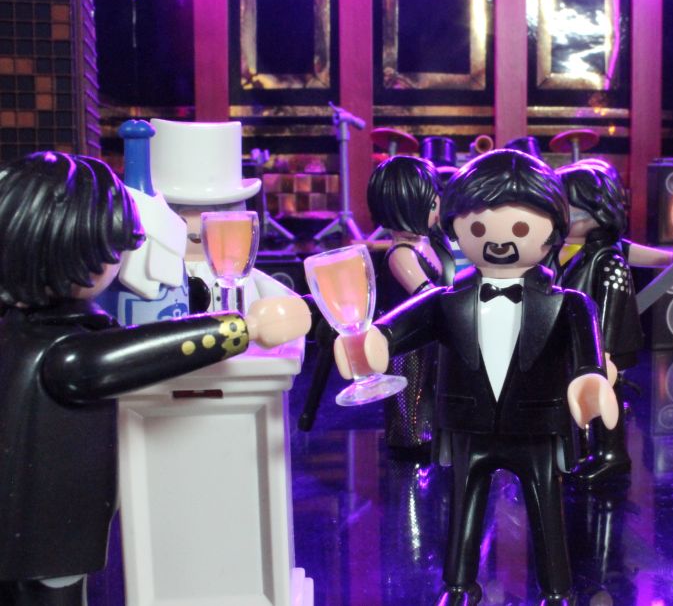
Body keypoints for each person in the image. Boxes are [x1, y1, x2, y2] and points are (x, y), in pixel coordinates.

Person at [0, 152, 309, 606]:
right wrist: (244, 328)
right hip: (43, 529)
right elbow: (127, 355)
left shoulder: (23, 331)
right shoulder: (64, 355)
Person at [335, 149, 618, 605]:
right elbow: (396, 330)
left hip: (537, 425)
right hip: (468, 422)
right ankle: (459, 586)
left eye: (520, 229)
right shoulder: (446, 299)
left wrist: (590, 380)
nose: (498, 242)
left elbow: (589, 355)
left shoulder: (568, 302)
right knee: (463, 511)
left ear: (554, 230)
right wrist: (368, 344)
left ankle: (556, 590)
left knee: (547, 509)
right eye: (479, 229)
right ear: (454, 228)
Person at [148, 118, 296, 313]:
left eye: (213, 216)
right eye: (181, 216)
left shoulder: (242, 278)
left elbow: (290, 309)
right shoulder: (152, 277)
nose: (196, 228)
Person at [555, 161, 642, 483]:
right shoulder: (582, 254)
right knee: (587, 396)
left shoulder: (608, 260)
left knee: (607, 396)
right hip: (585, 344)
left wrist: (600, 352)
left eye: (567, 211)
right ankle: (588, 450)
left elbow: (611, 305)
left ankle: (611, 454)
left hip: (604, 346)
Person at [367, 155, 454, 459]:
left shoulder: (429, 243)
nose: (438, 207)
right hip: (408, 342)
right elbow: (425, 294)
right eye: (431, 204)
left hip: (429, 336)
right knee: (412, 393)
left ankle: (431, 436)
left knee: (432, 388)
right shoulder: (401, 254)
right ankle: (412, 441)